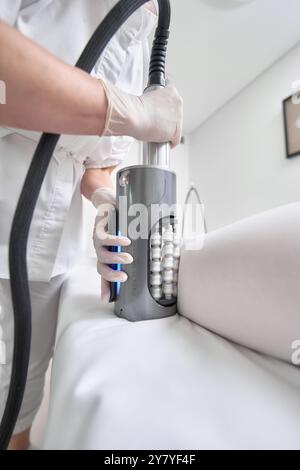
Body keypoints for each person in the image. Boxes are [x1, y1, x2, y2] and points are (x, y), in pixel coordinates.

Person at [0, 0, 183, 450]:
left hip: (48, 260)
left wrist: (104, 200)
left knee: (15, 408)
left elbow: (95, 163)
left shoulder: (144, 39)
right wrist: (126, 111)